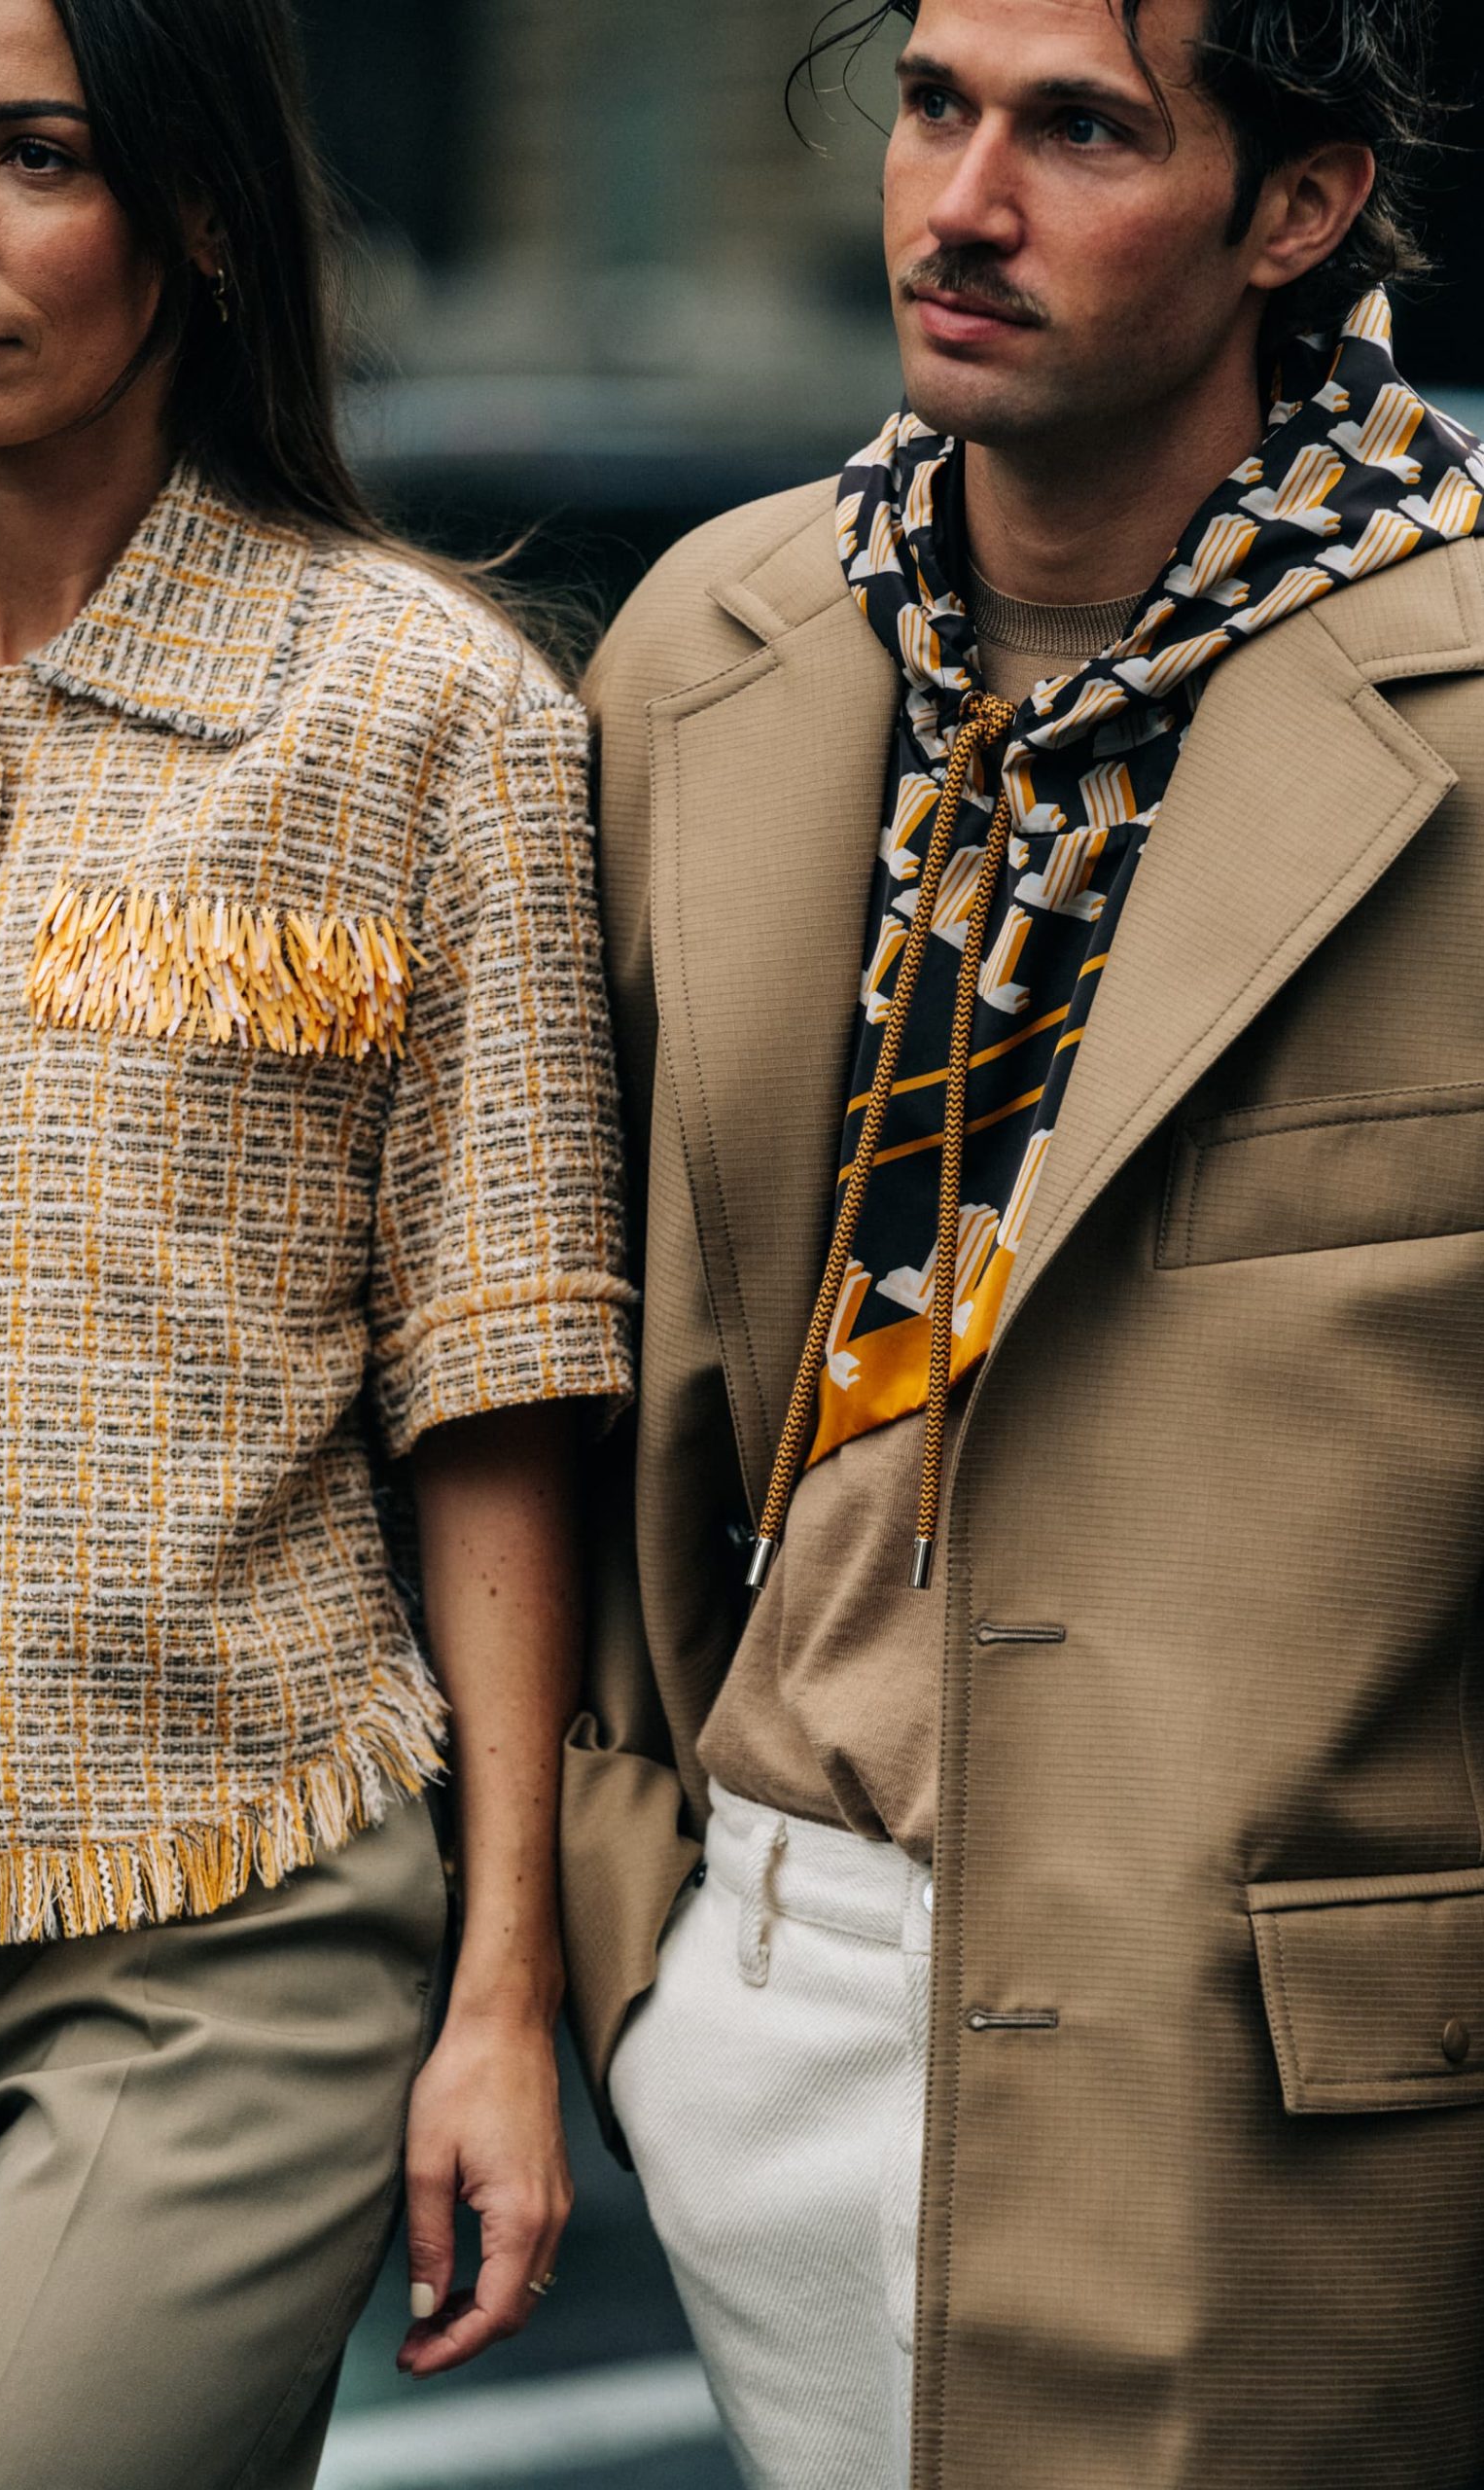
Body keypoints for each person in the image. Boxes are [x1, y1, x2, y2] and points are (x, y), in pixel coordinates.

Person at [566, 0, 1484, 2481]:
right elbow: (589, 1330)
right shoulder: (706, 650)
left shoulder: (1463, 690)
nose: (958, 203)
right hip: (755, 1980)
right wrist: (628, 1927)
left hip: (1262, 2088)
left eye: (1076, 127)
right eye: (931, 103)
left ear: (1293, 208)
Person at [0, 0, 633, 2480]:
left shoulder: (419, 716)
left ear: (190, 217)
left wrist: (502, 1988)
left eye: (33, 156)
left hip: (229, 1917)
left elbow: (495, 1378)